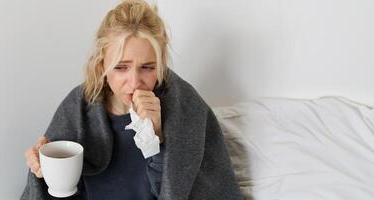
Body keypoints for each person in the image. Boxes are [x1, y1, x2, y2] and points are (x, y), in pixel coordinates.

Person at [21, 0, 242, 199]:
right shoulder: (78, 108)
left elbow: (177, 192)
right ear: (102, 66)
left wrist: (157, 137)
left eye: (147, 67)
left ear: (161, 65)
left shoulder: (185, 106)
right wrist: (42, 170)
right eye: (120, 67)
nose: (134, 81)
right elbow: (55, 193)